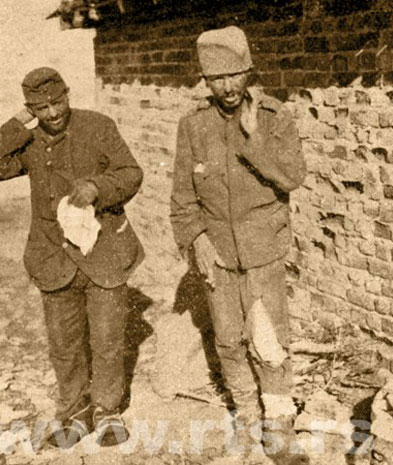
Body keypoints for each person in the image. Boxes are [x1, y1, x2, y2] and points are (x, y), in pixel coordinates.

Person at [0, 67, 144, 448]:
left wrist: (98, 187)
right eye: (41, 108)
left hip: (103, 252)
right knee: (64, 344)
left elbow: (131, 173)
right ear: (31, 108)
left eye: (58, 102)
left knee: (106, 339)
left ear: (68, 94)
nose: (53, 113)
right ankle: (74, 413)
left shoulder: (98, 126)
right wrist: (18, 123)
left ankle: (107, 411)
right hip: (53, 257)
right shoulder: (30, 141)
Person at [170, 26, 307, 462]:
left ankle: (279, 424)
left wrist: (254, 140)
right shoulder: (194, 125)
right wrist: (196, 239)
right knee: (228, 340)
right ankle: (247, 417)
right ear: (205, 80)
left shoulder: (274, 116)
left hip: (263, 248)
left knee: (268, 338)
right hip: (217, 253)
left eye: (234, 76)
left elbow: (293, 177)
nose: (227, 87)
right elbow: (182, 198)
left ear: (249, 71)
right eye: (216, 79)